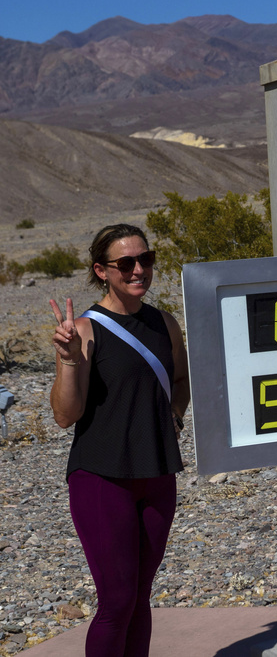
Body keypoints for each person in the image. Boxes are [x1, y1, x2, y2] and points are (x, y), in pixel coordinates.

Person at [49, 224, 189, 657]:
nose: (138, 270)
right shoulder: (86, 331)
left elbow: (180, 380)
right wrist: (70, 362)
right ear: (101, 271)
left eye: (145, 259)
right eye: (125, 263)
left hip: (157, 474)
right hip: (102, 478)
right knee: (116, 601)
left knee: (140, 596)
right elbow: (64, 415)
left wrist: (173, 421)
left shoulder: (163, 322)